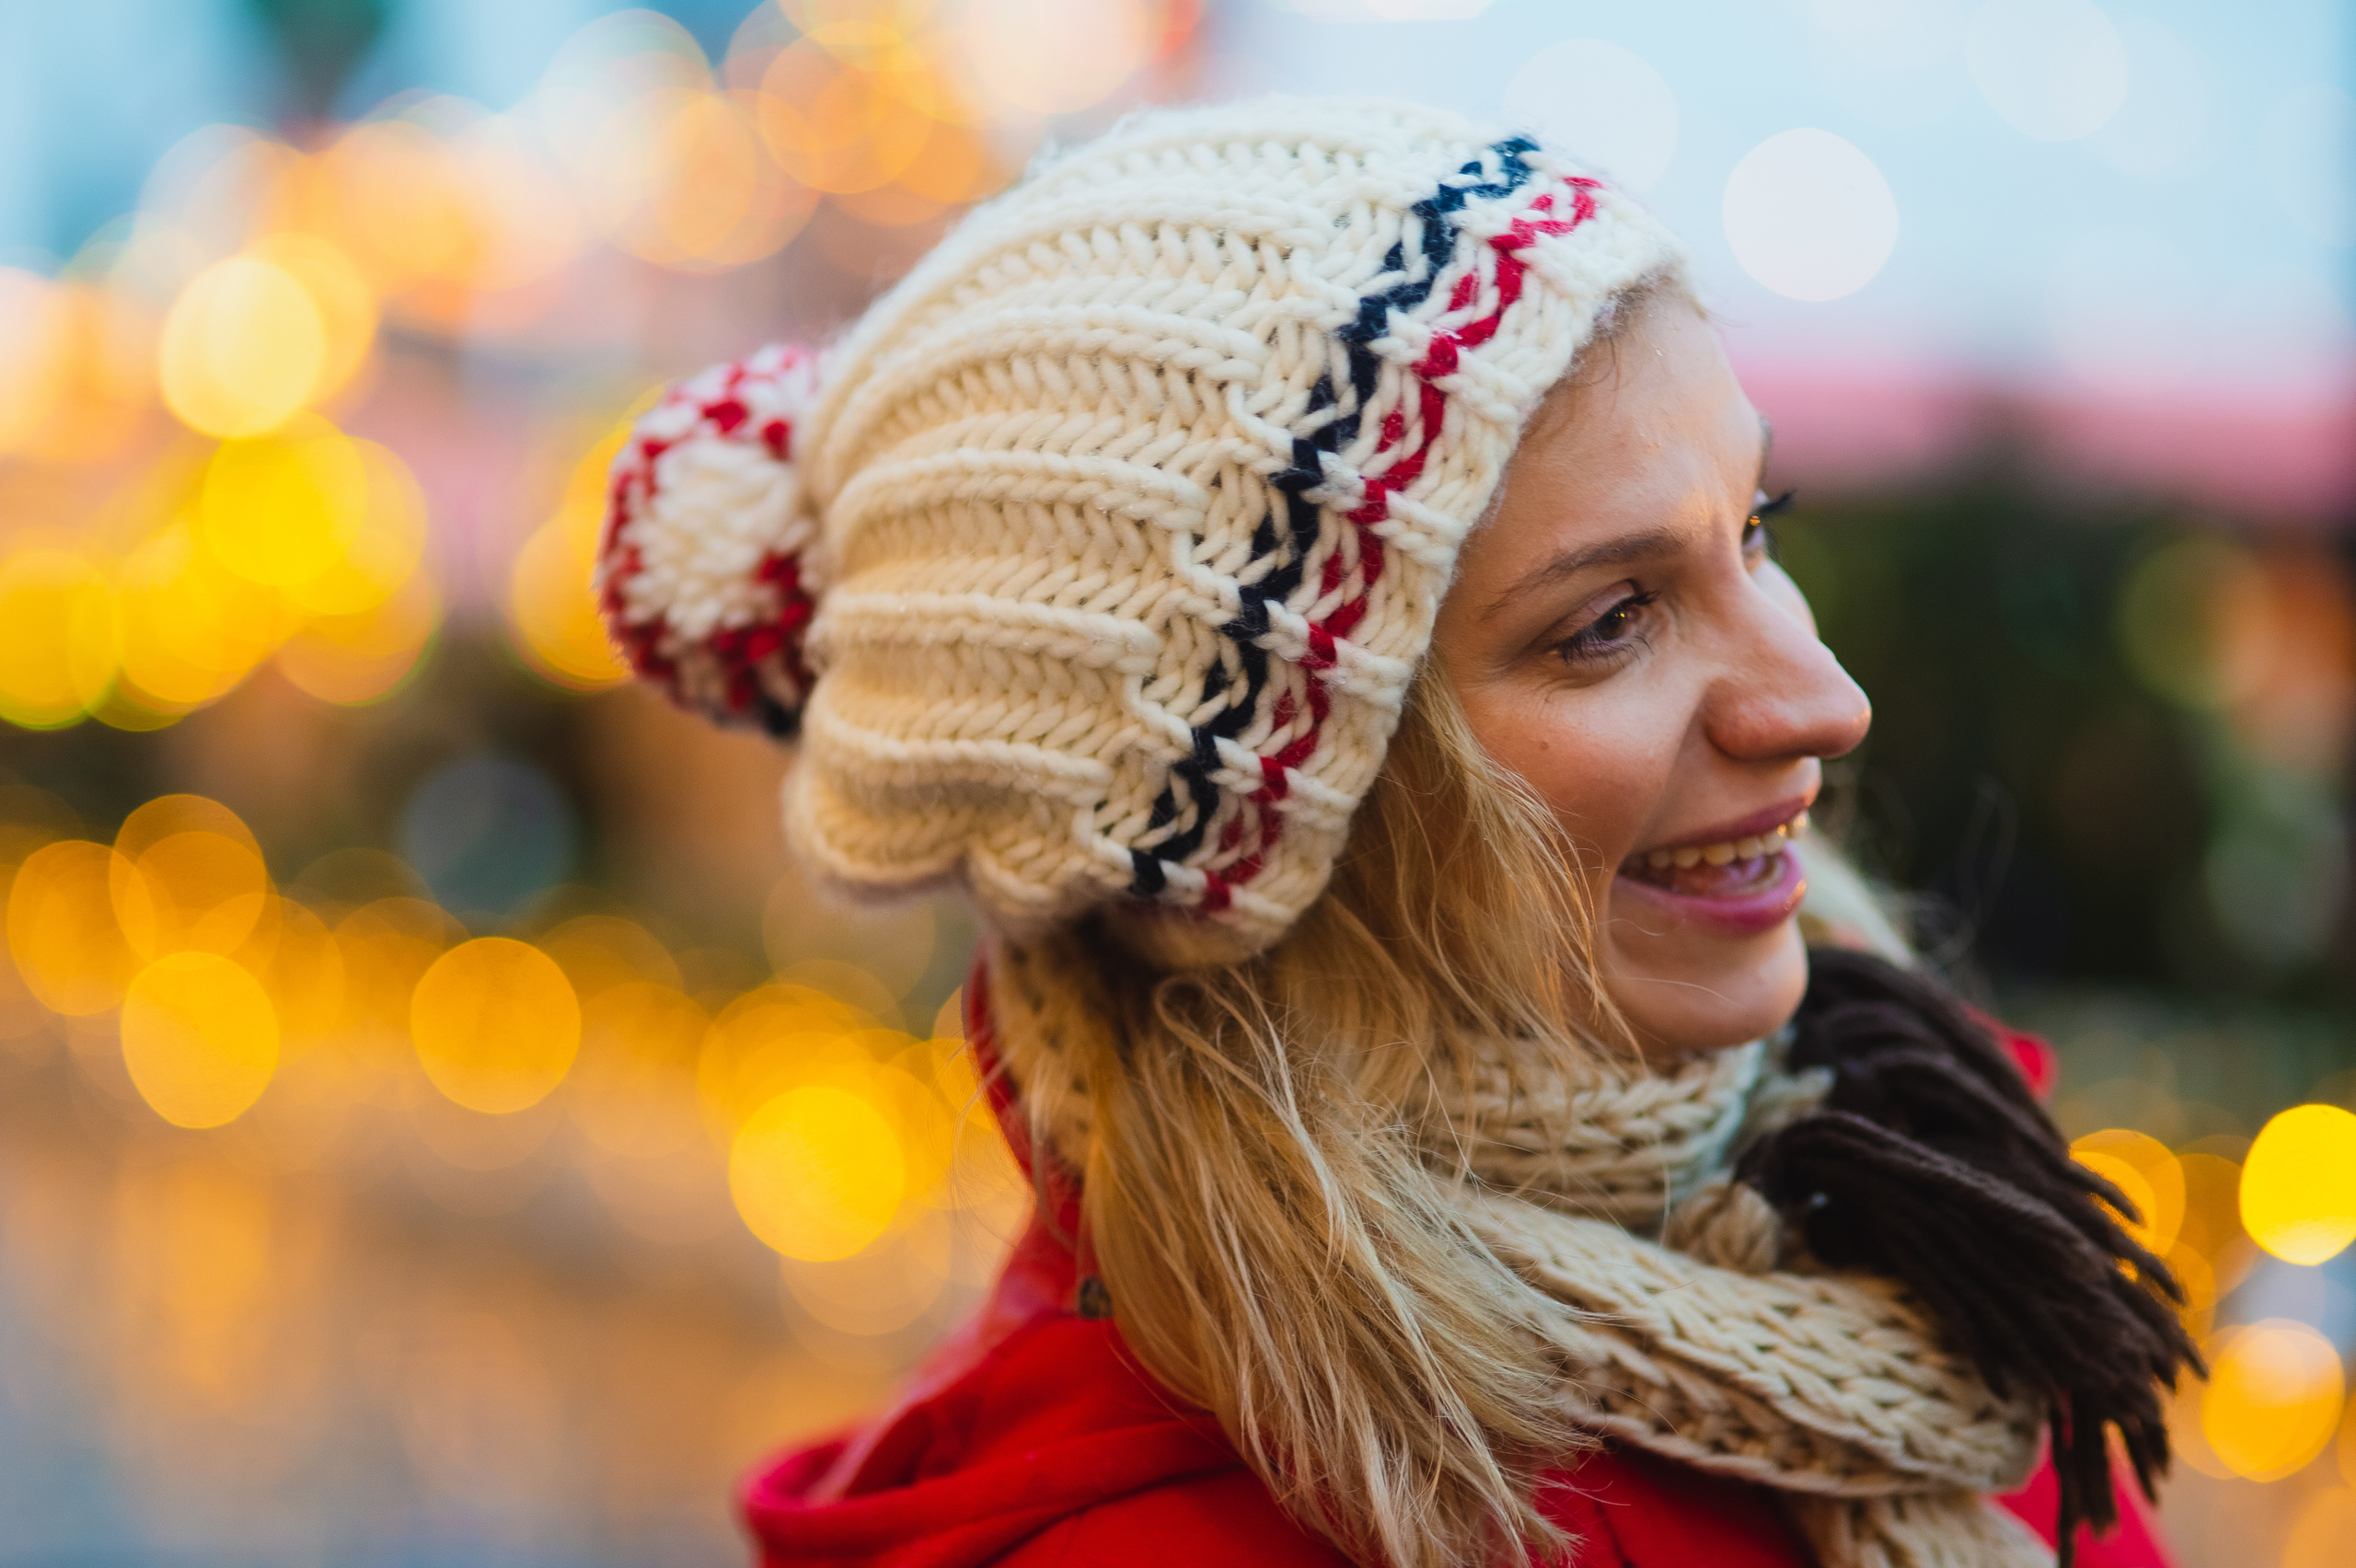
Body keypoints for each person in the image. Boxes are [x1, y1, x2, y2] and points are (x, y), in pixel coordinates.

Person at [595, 99, 2195, 1568]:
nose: (1823, 701)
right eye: (1610, 622)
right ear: (1290, 830)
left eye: (1756, 529)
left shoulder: (1926, 1214)